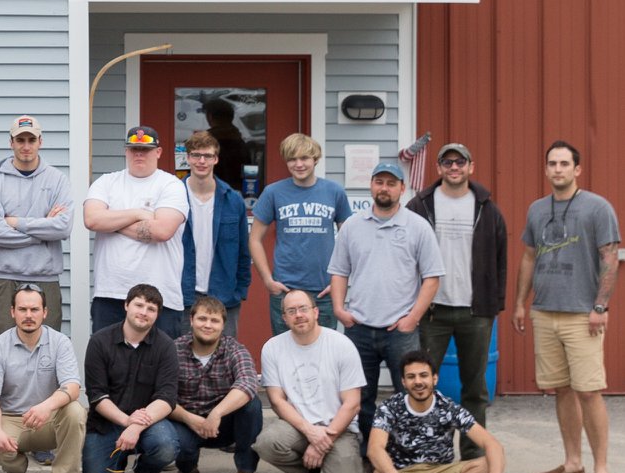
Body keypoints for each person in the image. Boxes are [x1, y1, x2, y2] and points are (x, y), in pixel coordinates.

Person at [514, 140, 620, 473]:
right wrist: (519, 303)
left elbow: (610, 258)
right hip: (545, 311)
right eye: (552, 164)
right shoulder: (536, 210)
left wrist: (600, 308)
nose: (557, 169)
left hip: (582, 315)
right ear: (545, 170)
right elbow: (529, 257)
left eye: (564, 164)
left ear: (577, 170)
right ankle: (573, 464)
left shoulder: (597, 208)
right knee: (560, 389)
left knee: (589, 391)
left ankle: (602, 470)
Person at [329, 157, 443, 446]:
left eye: (391, 183)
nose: (384, 188)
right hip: (359, 327)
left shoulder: (418, 227)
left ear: (402, 189)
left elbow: (432, 278)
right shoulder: (352, 226)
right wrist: (340, 309)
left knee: (409, 395)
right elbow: (339, 271)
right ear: (371, 186)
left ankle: (406, 453)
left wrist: (413, 318)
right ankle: (369, 455)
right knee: (360, 397)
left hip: (400, 330)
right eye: (379, 182)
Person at [406, 142, 507, 427]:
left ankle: (474, 458)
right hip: (431, 311)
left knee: (475, 389)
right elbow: (406, 255)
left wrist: (494, 304)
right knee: (421, 385)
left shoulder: (487, 209)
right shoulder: (419, 206)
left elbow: (501, 259)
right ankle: (426, 449)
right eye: (447, 163)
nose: (454, 167)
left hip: (475, 312)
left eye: (459, 162)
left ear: (470, 167)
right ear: (438, 168)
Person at [0, 285, 86, 473]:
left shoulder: (59, 342)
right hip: (11, 419)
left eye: (34, 309)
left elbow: (72, 387)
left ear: (45, 312)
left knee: (75, 411)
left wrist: (46, 406)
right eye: (22, 309)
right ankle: (16, 470)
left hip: (49, 419)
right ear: (12, 312)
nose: (28, 315)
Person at [256, 288, 369, 473]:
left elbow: (352, 403)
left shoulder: (341, 345)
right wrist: (310, 432)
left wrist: (322, 442)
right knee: (267, 443)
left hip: (339, 430)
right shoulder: (272, 348)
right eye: (291, 311)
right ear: (284, 318)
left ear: (316, 312)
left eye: (303, 308)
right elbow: (277, 401)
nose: (298, 315)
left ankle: (335, 464)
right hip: (299, 427)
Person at [368, 349, 508, 473]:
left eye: (423, 375)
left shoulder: (448, 407)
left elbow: (492, 444)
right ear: (403, 382)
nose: (418, 382)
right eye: (411, 377)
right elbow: (375, 448)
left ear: (435, 378)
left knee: (491, 463)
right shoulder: (389, 407)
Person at [80, 283, 181, 473]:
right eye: (139, 305)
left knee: (166, 445)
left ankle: (146, 472)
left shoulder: (165, 347)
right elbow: (97, 396)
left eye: (151, 309)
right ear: (126, 305)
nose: (144, 312)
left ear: (157, 315)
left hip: (148, 424)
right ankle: (117, 464)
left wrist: (135, 427)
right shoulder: (100, 341)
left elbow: (167, 398)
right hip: (106, 423)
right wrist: (126, 422)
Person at [85, 128, 189, 338]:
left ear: (158, 152)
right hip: (111, 294)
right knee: (110, 366)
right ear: (126, 151)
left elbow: (162, 231)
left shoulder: (171, 185)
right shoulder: (106, 182)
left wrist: (112, 221)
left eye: (145, 149)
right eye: (134, 149)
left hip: (160, 297)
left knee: (159, 368)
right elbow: (92, 219)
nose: (139, 154)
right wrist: (138, 213)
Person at [0, 117, 73, 335]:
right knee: (3, 345)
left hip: (45, 277)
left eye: (31, 139)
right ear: (11, 142)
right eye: (20, 140)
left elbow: (63, 227)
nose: (26, 146)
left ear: (41, 141)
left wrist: (16, 222)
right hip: (5, 277)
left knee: (48, 346)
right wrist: (43, 232)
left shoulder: (57, 180)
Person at [249, 132, 352, 332]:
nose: (299, 164)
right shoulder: (273, 192)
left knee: (323, 353)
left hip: (324, 291)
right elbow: (254, 239)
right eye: (292, 159)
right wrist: (268, 280)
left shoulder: (334, 191)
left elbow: (349, 240)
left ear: (315, 159)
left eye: (304, 158)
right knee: (285, 352)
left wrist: (340, 281)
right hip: (286, 290)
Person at [170, 295, 263, 473]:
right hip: (188, 422)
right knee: (181, 454)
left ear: (223, 325)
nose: (208, 325)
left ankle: (246, 472)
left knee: (252, 405)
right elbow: (162, 394)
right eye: (202, 319)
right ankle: (188, 465)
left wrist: (217, 413)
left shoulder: (235, 349)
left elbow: (248, 382)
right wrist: (189, 418)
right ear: (192, 320)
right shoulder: (173, 350)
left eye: (214, 321)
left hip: (224, 425)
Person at [179, 129, 252, 323]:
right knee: (180, 353)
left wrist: (240, 290)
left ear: (216, 159)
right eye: (196, 155)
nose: (202, 161)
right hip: (181, 295)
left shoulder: (233, 200)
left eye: (207, 156)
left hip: (224, 295)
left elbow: (243, 250)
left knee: (225, 352)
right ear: (187, 158)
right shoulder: (173, 195)